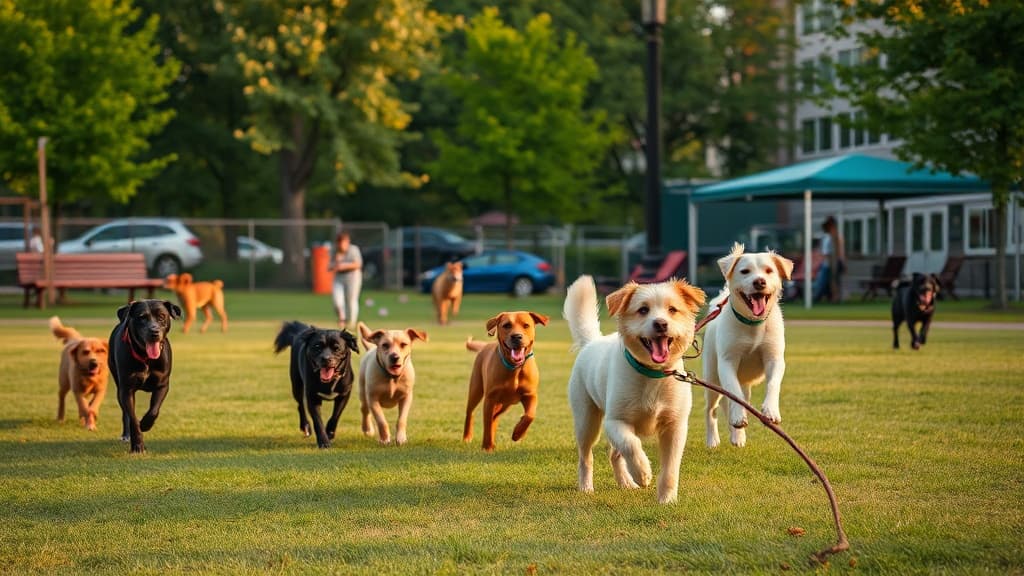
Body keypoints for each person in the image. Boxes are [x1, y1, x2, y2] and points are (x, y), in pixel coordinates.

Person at [328, 231, 362, 328]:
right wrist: (336, 263)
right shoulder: (334, 251)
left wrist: (344, 266)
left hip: (353, 276)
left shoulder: (353, 249)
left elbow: (358, 264)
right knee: (337, 300)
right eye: (339, 243)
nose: (341, 245)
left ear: (347, 242)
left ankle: (351, 323)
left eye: (343, 242)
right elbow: (329, 266)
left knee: (351, 300)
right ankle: (342, 319)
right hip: (339, 277)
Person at [813, 216, 846, 303]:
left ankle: (833, 297)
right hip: (828, 263)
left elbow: (837, 252)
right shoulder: (828, 237)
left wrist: (839, 262)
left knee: (833, 281)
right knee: (829, 281)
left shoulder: (835, 237)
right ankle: (828, 297)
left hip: (832, 262)